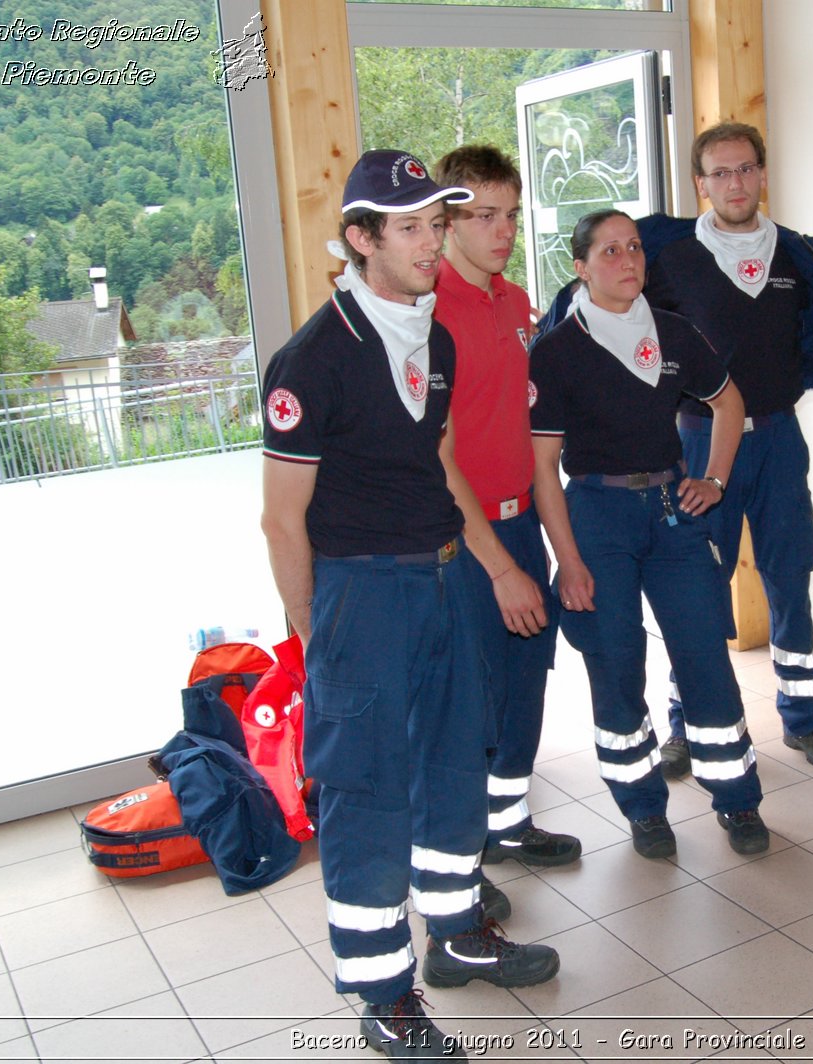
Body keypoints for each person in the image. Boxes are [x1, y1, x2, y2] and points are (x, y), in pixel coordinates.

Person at [259, 149, 558, 1062]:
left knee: (454, 765)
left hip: (441, 578)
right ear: (361, 239)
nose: (435, 244)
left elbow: (437, 465)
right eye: (413, 228)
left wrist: (496, 564)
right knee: (370, 794)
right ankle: (385, 991)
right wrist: (320, 638)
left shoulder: (432, 335)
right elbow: (280, 523)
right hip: (364, 593)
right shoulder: (311, 361)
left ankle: (457, 929)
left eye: (439, 223)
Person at [638, 122, 813, 776]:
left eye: (746, 169)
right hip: (698, 442)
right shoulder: (670, 257)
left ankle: (805, 720)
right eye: (720, 173)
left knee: (790, 578)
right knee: (696, 587)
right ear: (700, 184)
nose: (735, 183)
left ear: (762, 174)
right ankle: (684, 724)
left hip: (780, 439)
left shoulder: (795, 254)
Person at [529, 209, 769, 858]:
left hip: (672, 509)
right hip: (597, 517)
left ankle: (737, 799)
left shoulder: (672, 333)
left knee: (704, 657)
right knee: (616, 667)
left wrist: (714, 480)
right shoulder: (555, 352)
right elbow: (543, 470)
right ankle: (643, 809)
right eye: (608, 251)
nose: (627, 259)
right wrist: (568, 560)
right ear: (579, 268)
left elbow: (729, 402)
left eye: (633, 247)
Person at [431, 146, 581, 890]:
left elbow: (525, 429)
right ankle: (460, 859)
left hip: (523, 521)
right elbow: (440, 457)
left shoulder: (516, 300)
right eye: (484, 216)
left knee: (526, 686)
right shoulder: (431, 313)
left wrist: (552, 546)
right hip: (466, 540)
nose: (504, 231)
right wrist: (499, 564)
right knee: (472, 706)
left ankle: (508, 824)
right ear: (446, 223)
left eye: (512, 215)